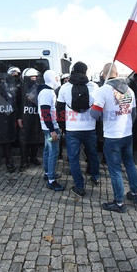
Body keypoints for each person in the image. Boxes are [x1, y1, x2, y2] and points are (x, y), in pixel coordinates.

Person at [91, 63, 137, 213]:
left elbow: (95, 114)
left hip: (112, 136)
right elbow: (134, 114)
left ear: (104, 73)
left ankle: (119, 203)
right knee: (129, 164)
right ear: (116, 73)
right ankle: (134, 194)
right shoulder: (130, 90)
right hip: (127, 134)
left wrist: (107, 116)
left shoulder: (103, 90)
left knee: (115, 170)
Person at [57, 62, 100, 196]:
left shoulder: (64, 87)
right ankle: (95, 176)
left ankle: (79, 186)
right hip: (90, 127)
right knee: (93, 154)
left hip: (72, 128)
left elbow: (59, 111)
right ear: (85, 71)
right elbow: (99, 108)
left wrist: (63, 127)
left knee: (73, 158)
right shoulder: (94, 86)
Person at [38, 70, 64, 191]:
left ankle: (48, 174)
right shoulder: (46, 92)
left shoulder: (47, 91)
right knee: (53, 152)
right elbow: (45, 111)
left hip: (48, 127)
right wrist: (53, 129)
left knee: (48, 150)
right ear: (51, 78)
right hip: (50, 128)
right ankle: (51, 180)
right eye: (56, 78)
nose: (58, 80)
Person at [17, 68, 43, 170]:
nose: (34, 78)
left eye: (35, 77)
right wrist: (19, 117)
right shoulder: (20, 88)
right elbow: (17, 103)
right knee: (24, 138)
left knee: (35, 138)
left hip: (36, 116)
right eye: (31, 77)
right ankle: (24, 162)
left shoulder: (39, 87)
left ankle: (33, 157)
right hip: (24, 117)